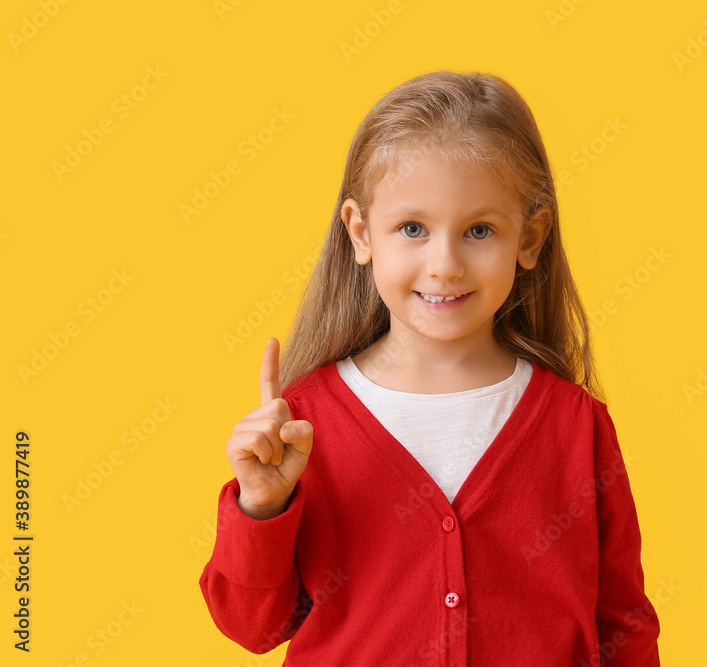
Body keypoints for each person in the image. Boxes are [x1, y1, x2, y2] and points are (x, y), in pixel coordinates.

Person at [199, 70, 660, 665]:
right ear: (362, 233)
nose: (444, 264)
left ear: (531, 237)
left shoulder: (577, 424)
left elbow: (623, 623)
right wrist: (261, 506)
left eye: (479, 230)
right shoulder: (301, 426)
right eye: (412, 228)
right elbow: (250, 627)